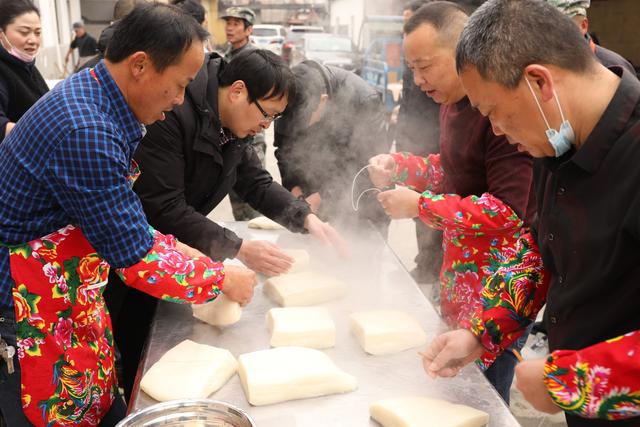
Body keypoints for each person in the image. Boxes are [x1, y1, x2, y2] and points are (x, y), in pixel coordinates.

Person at [0, 4, 256, 426]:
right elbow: (136, 258)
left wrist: (184, 251)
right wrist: (219, 277)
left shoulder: (96, 97)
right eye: (178, 85)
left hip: (71, 294)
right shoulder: (86, 130)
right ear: (140, 65)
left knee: (104, 409)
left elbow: (121, 220)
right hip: (31, 316)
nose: (178, 101)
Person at [421, 0, 640, 425]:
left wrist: (570, 381)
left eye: (494, 113)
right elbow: (541, 249)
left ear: (539, 82)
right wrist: (482, 331)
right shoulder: (557, 142)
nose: (498, 131)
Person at [104, 49, 347, 399]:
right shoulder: (171, 113)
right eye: (266, 116)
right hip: (132, 257)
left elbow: (254, 181)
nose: (266, 127)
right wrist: (238, 249)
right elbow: (164, 208)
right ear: (237, 91)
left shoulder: (231, 123)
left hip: (174, 249)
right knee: (133, 342)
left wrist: (304, 217)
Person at [367, 1, 537, 403]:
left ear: (464, 51)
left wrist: (421, 207)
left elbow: (511, 212)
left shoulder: (501, 113)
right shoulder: (451, 103)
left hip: (499, 286)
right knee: (452, 391)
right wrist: (402, 165)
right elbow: (455, 167)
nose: (418, 79)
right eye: (412, 68)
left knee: (484, 396)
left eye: (425, 66)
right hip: (459, 276)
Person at [274, 60, 389, 229]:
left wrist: (323, 197)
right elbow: (285, 151)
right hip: (312, 204)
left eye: (303, 122)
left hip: (360, 205)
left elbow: (370, 168)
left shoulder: (364, 100)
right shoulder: (290, 93)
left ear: (323, 100)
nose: (298, 128)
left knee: (359, 249)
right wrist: (295, 190)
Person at [396, 0, 442, 285]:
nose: (418, 79)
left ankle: (430, 266)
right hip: (416, 143)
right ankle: (425, 263)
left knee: (429, 214)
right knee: (419, 216)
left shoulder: (454, 98)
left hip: (432, 142)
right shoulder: (411, 61)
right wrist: (400, 159)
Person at [220, 6, 267, 221]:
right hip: (229, 135)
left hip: (251, 137)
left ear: (249, 30)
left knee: (253, 192)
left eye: (236, 24)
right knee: (235, 193)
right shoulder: (225, 56)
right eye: (228, 23)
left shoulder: (257, 60)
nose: (230, 28)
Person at [0, 0, 47, 143]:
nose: (33, 40)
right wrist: (45, 134)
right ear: (1, 33)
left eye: (37, 33)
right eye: (24, 32)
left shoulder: (26, 66)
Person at [547, 0, 636, 76]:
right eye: (547, 27)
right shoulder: (538, 63)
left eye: (563, 27)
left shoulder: (616, 69)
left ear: (583, 26)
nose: (554, 35)